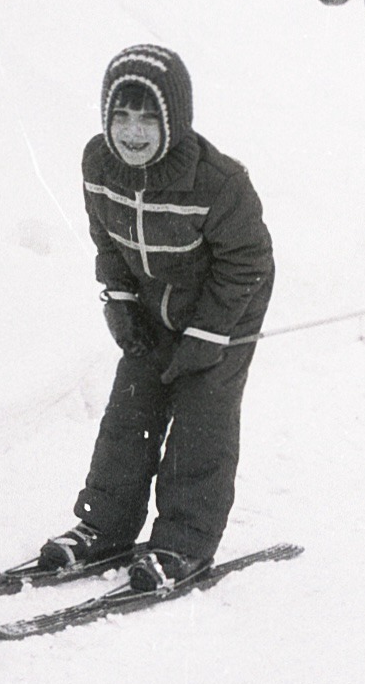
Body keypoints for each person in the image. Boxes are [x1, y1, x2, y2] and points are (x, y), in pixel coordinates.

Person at [38, 44, 274, 592]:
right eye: (121, 115)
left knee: (201, 417)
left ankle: (184, 543)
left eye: (148, 117)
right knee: (131, 409)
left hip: (228, 303)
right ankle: (106, 526)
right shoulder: (98, 164)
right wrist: (119, 301)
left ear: (175, 118)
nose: (133, 132)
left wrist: (209, 333)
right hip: (153, 300)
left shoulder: (219, 182)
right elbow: (107, 238)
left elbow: (248, 261)